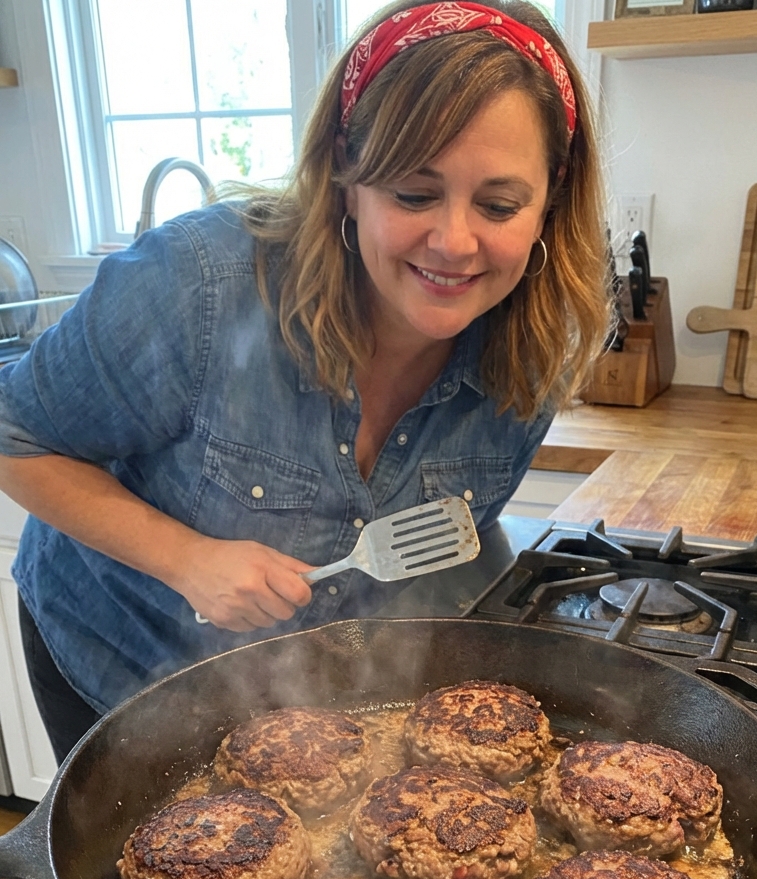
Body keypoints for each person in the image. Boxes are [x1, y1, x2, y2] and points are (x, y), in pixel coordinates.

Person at [0, 0, 610, 763]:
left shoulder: (530, 356)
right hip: (120, 655)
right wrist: (188, 560)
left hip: (308, 704)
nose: (455, 242)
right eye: (413, 193)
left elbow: (449, 541)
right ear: (345, 178)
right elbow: (14, 436)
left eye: (499, 204)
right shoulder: (202, 283)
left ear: (549, 200)